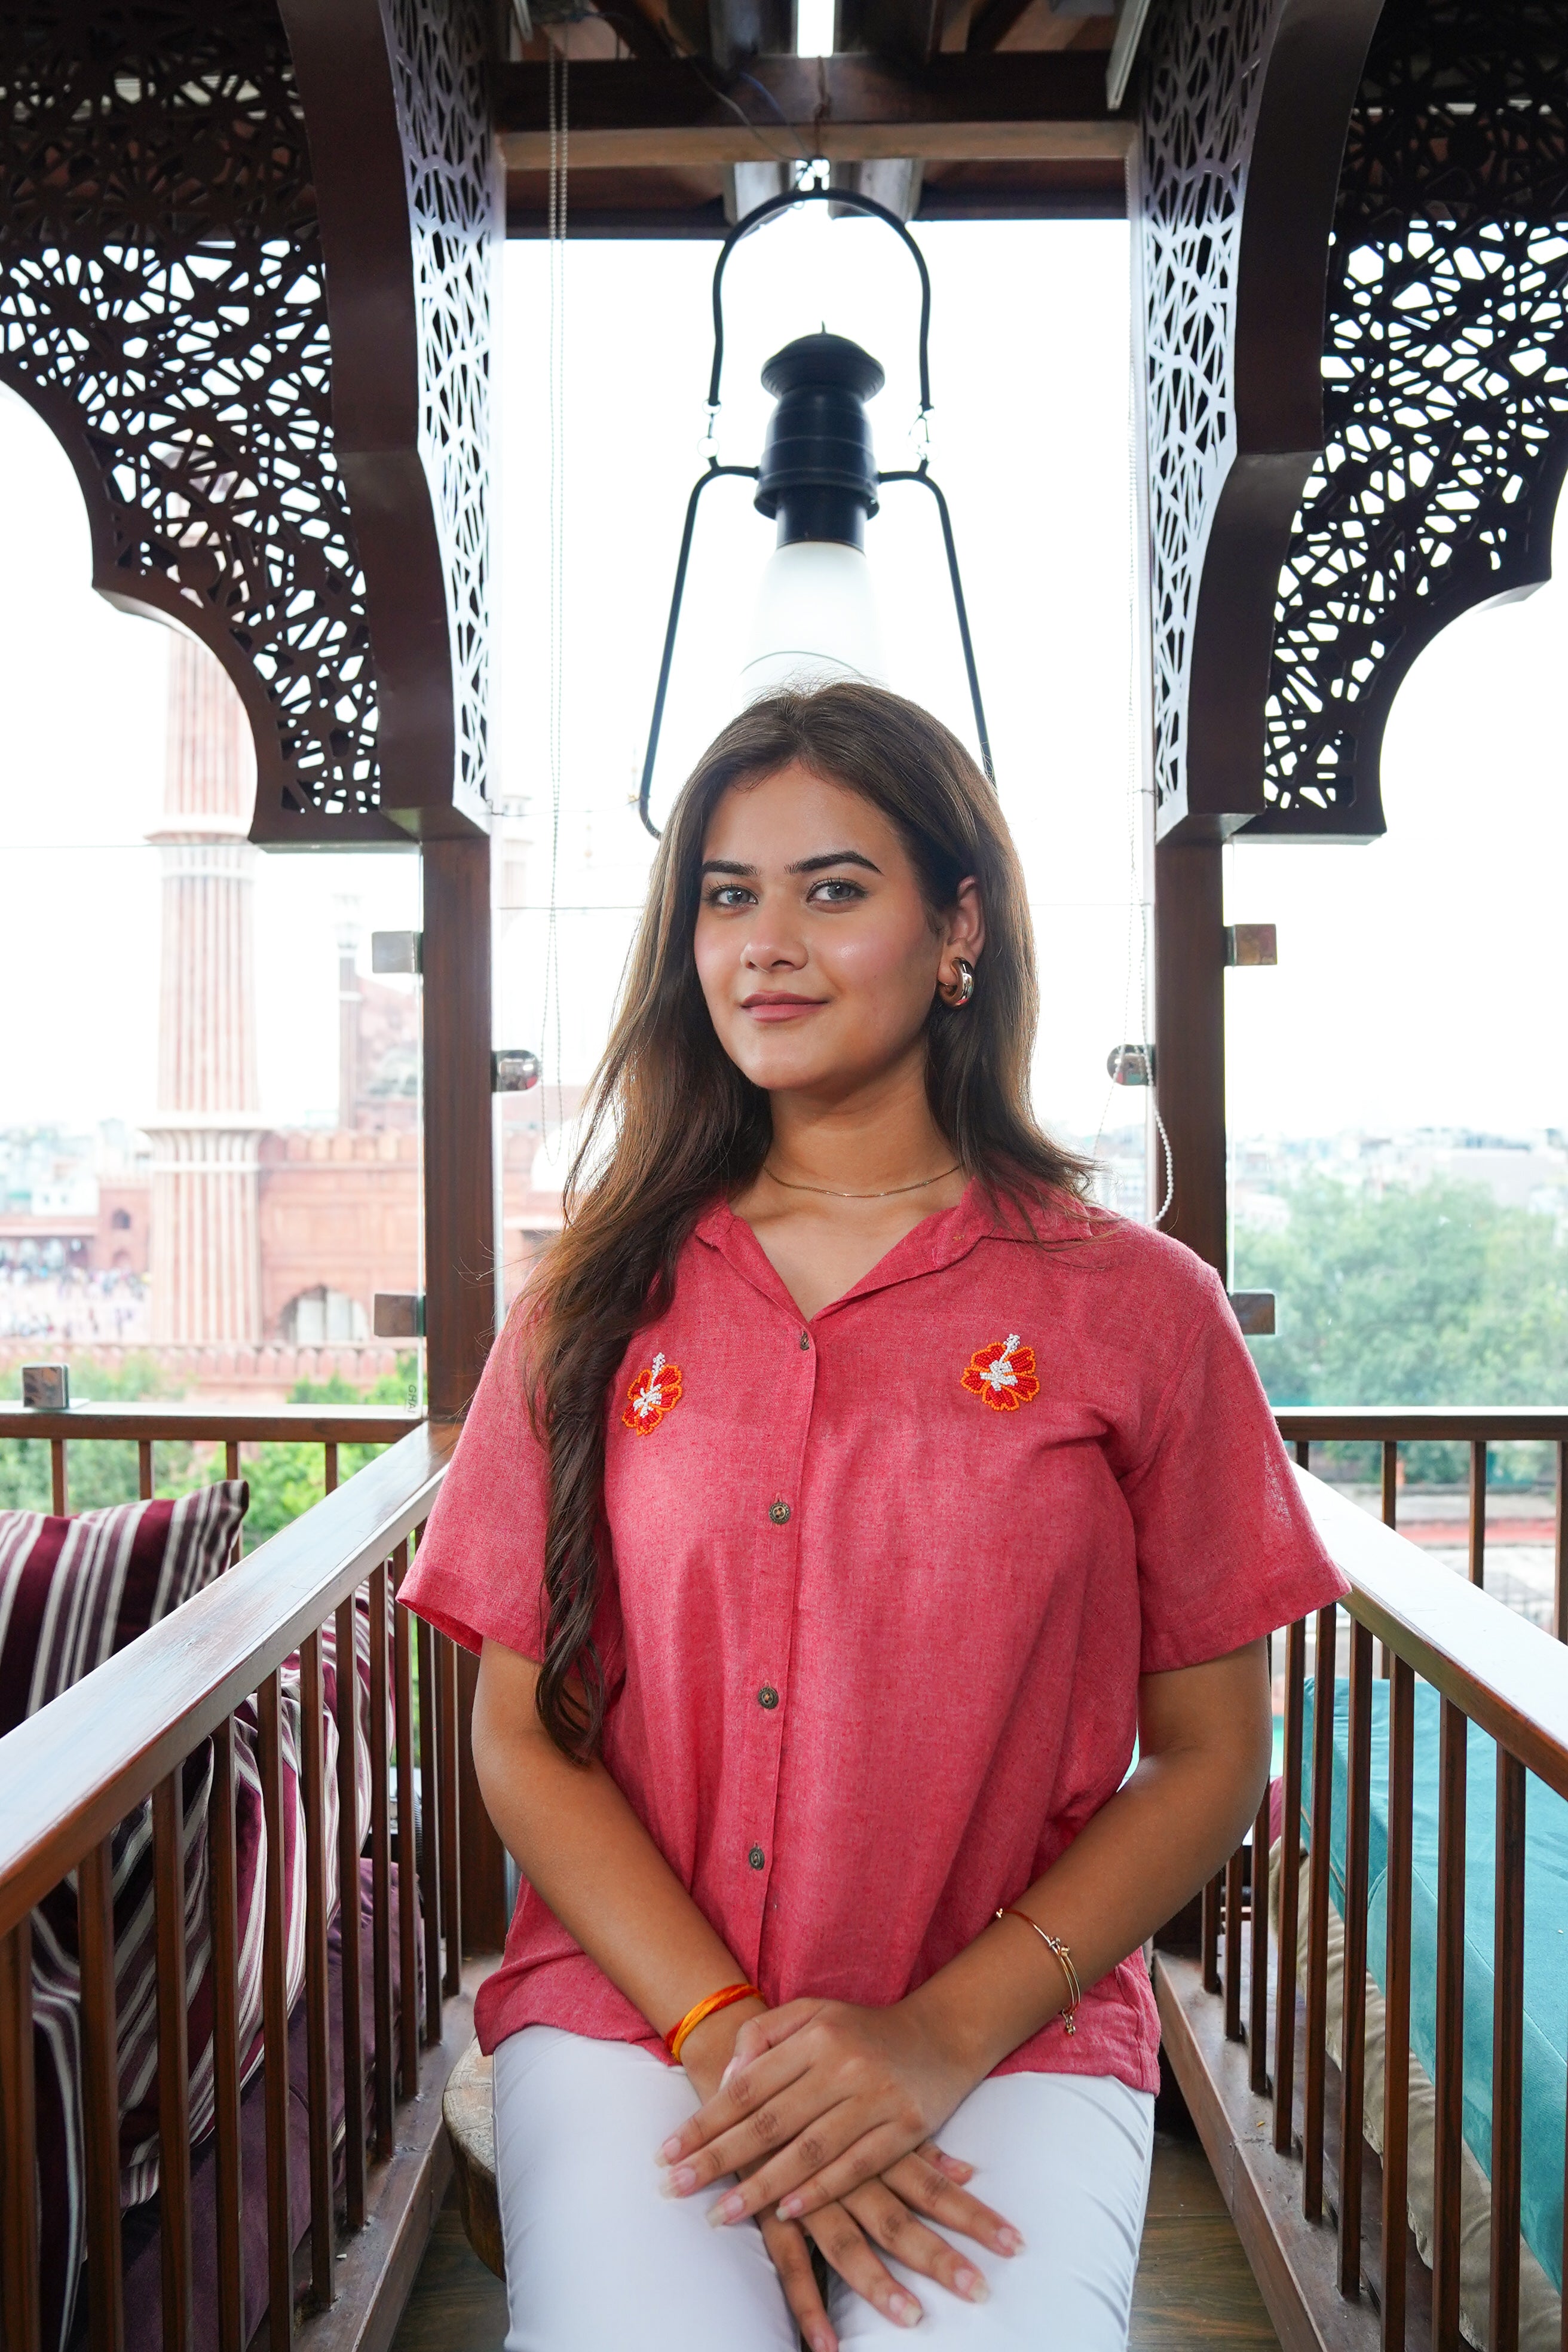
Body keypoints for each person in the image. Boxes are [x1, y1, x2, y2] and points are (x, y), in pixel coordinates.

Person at [399, 684, 1346, 2351]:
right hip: (642, 2023)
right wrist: (733, 2048)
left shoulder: (1138, 1310)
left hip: (1013, 2024)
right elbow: (524, 1737)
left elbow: (1210, 1758)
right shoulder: (590, 1305)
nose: (767, 945)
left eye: (833, 889)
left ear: (958, 927)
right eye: (727, 895)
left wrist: (928, 2043)